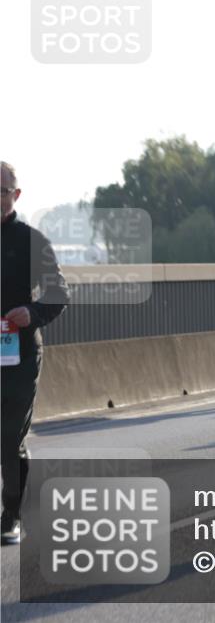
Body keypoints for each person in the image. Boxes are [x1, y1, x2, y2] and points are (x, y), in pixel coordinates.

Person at [1, 161, 70, 544]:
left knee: (9, 436)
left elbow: (59, 294)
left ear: (16, 195)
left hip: (19, 355)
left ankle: (11, 513)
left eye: (2, 190)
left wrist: (32, 313)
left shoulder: (31, 240)